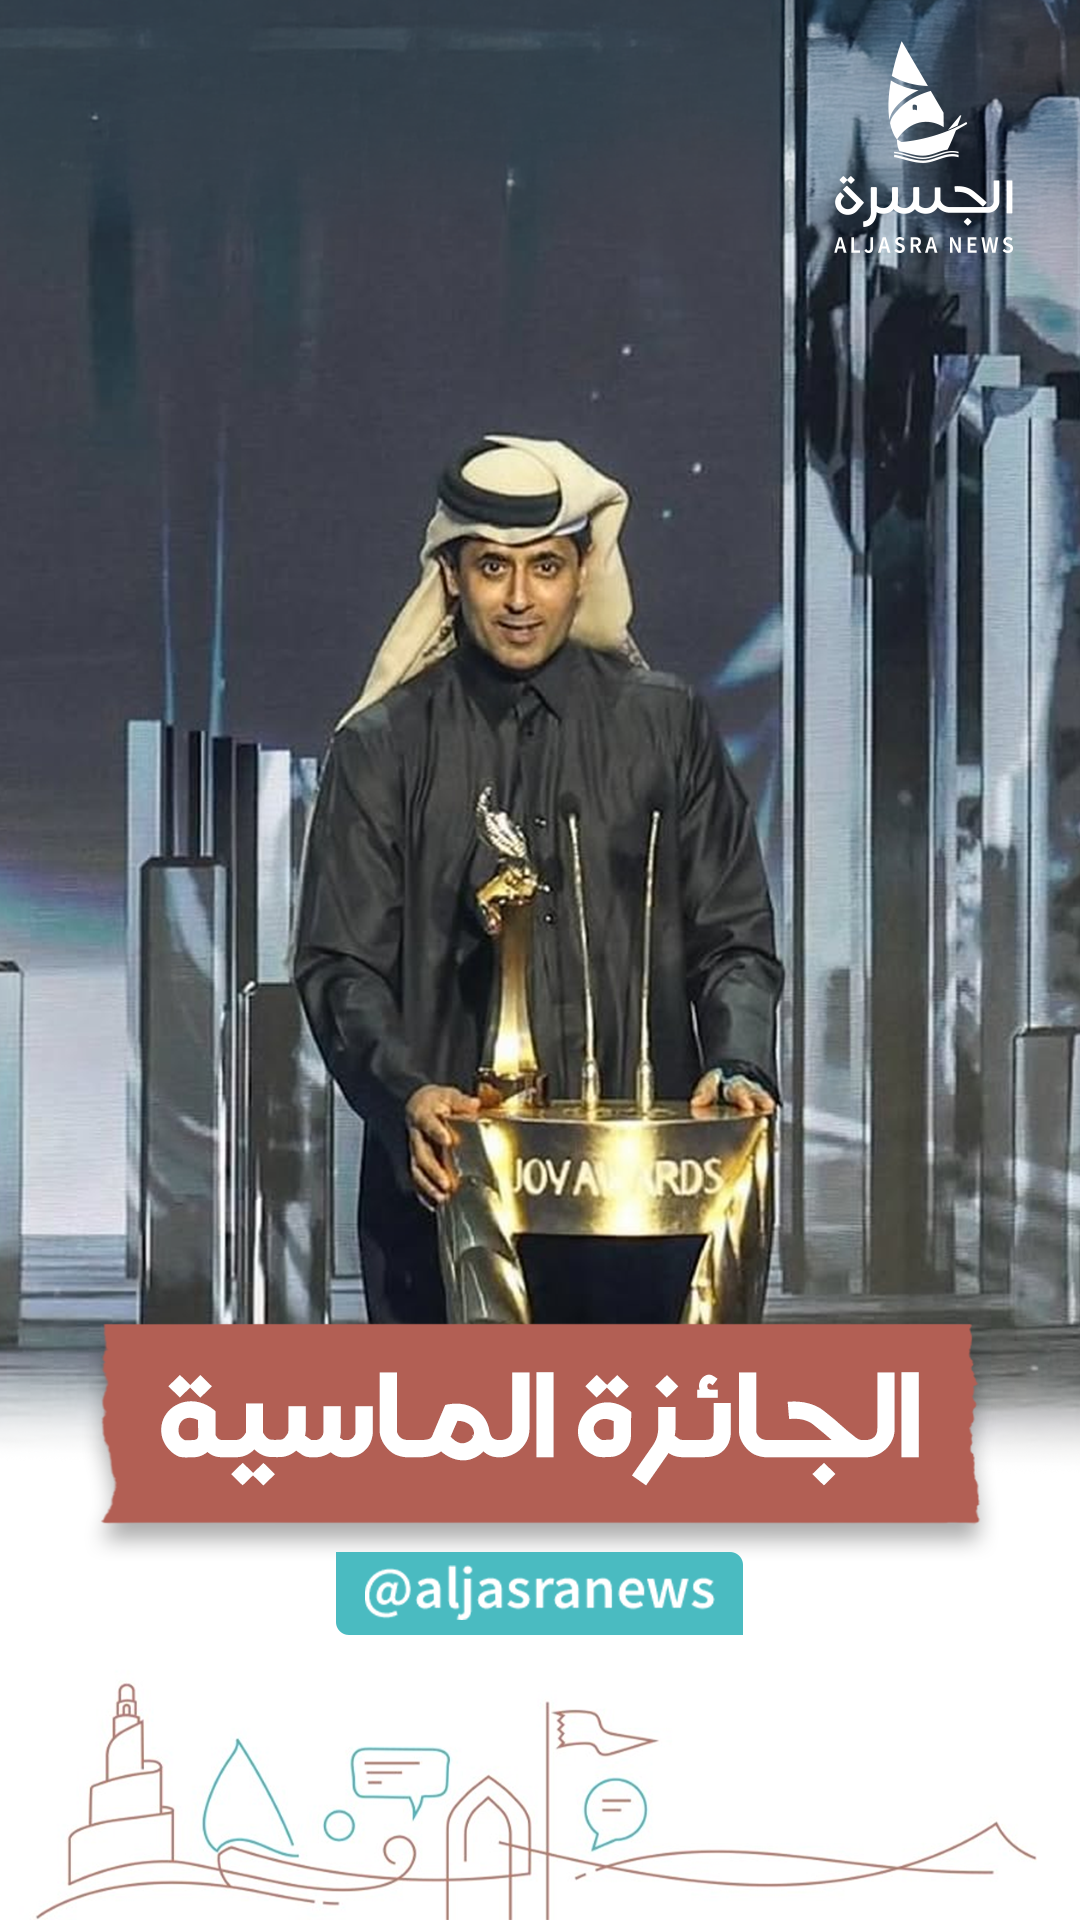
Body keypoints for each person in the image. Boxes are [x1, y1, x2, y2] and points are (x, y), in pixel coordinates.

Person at [293, 435, 782, 1323]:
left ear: (583, 570)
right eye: (493, 567)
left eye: (545, 566)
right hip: (448, 1192)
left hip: (646, 1198)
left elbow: (734, 936)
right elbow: (340, 964)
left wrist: (737, 1060)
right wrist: (408, 1094)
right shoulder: (380, 748)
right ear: (451, 575)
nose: (520, 599)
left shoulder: (666, 726)